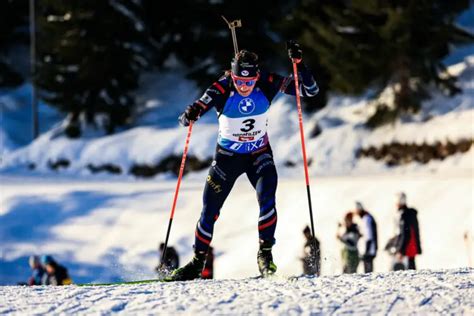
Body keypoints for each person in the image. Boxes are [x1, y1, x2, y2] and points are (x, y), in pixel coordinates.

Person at [167, 41, 319, 281]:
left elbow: (309, 91)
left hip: (259, 155)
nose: (245, 86)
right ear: (233, 76)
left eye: (249, 82)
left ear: (256, 75)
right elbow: (192, 112)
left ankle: (265, 255)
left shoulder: (267, 82)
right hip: (227, 159)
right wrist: (190, 114)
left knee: (267, 198)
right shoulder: (221, 87)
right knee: (209, 210)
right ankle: (197, 263)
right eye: (240, 81)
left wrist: (300, 65)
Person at [394, 192, 422, 270]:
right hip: (411, 246)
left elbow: (405, 233)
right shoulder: (410, 213)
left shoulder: (405, 215)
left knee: (409, 269)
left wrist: (400, 250)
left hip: (408, 247)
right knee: (411, 266)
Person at [354, 201, 378, 273]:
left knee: (368, 272)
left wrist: (366, 252)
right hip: (368, 249)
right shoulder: (366, 218)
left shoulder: (366, 219)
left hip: (368, 250)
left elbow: (369, 236)